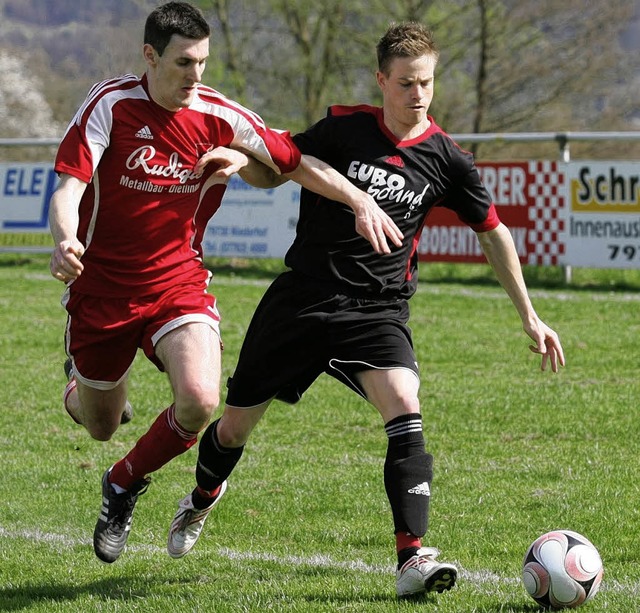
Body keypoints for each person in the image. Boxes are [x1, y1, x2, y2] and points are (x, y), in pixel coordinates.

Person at [167, 21, 566, 599]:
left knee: (405, 405)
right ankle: (202, 498)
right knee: (232, 428)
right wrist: (241, 161)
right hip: (303, 298)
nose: (418, 95)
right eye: (405, 83)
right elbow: (281, 165)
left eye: (426, 82)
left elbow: (494, 232)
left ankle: (411, 558)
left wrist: (530, 315)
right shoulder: (345, 128)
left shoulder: (449, 158)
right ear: (382, 80)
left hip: (378, 311)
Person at [48, 1, 402, 565]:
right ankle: (78, 385)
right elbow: (70, 185)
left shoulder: (220, 114)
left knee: (200, 400)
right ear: (150, 55)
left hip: (177, 284)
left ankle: (122, 484)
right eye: (185, 63)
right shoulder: (110, 106)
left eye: (204, 62)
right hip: (102, 292)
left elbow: (293, 162)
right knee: (100, 424)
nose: (196, 76)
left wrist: (358, 199)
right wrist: (66, 238)